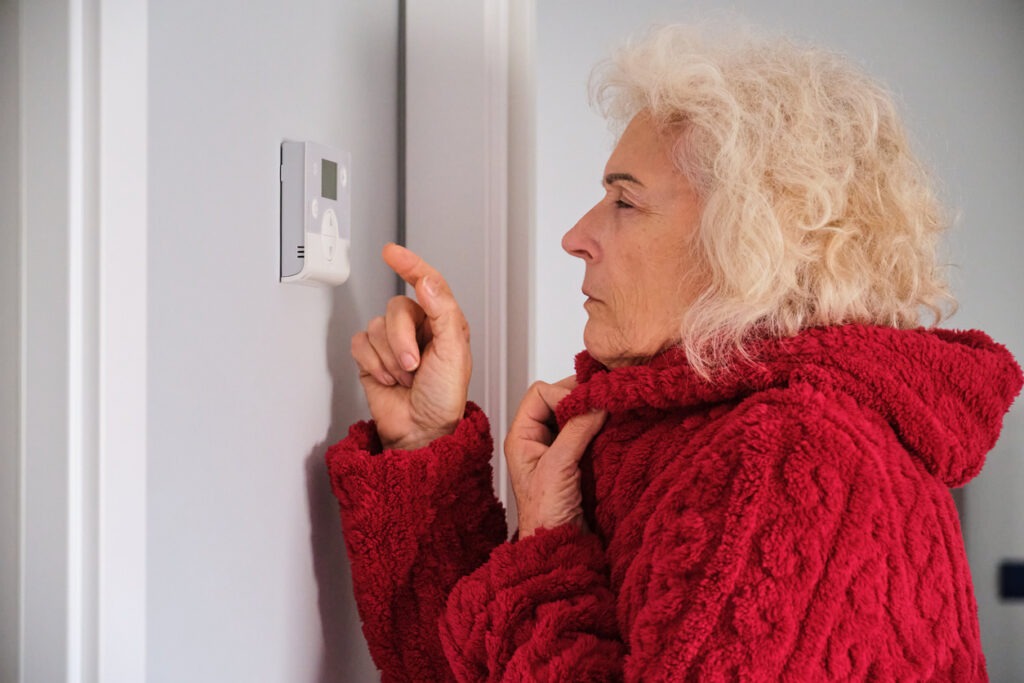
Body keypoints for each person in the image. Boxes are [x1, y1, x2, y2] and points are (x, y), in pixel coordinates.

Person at [326, 24, 1022, 682]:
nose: (575, 235)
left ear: (745, 246)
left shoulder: (794, 455)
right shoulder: (675, 438)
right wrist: (425, 440)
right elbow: (456, 665)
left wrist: (544, 558)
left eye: (624, 202)